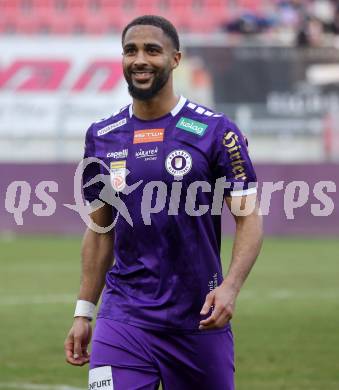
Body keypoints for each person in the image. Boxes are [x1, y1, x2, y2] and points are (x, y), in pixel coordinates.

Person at [64, 15, 263, 390]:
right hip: (123, 318)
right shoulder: (102, 136)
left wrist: (231, 287)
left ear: (175, 59)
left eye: (152, 50)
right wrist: (84, 312)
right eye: (130, 50)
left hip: (199, 318)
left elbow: (248, 218)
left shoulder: (217, 132)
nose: (140, 59)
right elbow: (100, 230)